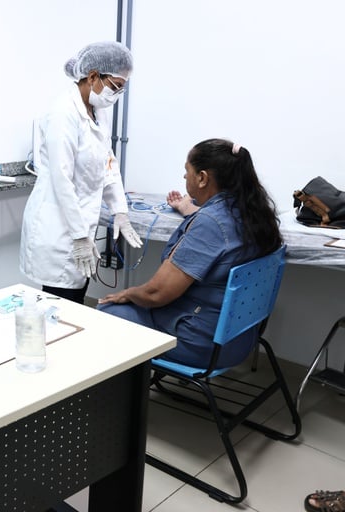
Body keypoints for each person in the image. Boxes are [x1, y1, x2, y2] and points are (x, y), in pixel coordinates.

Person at [97, 138, 282, 368]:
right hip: (239, 341)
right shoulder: (254, 213)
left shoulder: (210, 223)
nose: (185, 176)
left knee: (108, 311)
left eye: (187, 170)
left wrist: (128, 293)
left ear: (202, 178)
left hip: (200, 345)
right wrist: (191, 211)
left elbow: (156, 293)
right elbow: (221, 230)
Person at [19, 41, 142, 304]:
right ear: (93, 76)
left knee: (75, 298)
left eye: (122, 88)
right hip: (58, 227)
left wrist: (120, 210)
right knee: (59, 303)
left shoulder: (98, 112)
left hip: (80, 225)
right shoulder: (63, 113)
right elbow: (61, 179)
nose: (116, 94)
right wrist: (78, 236)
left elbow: (108, 162)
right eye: (115, 86)